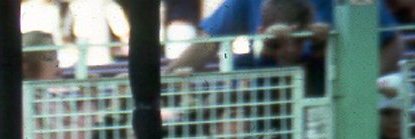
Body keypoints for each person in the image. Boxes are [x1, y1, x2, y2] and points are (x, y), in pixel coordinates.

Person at [166, 0, 403, 76]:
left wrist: (362, 89)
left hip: (333, 111)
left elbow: (392, 42)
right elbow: (207, 44)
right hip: (270, 110)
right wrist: (162, 83)